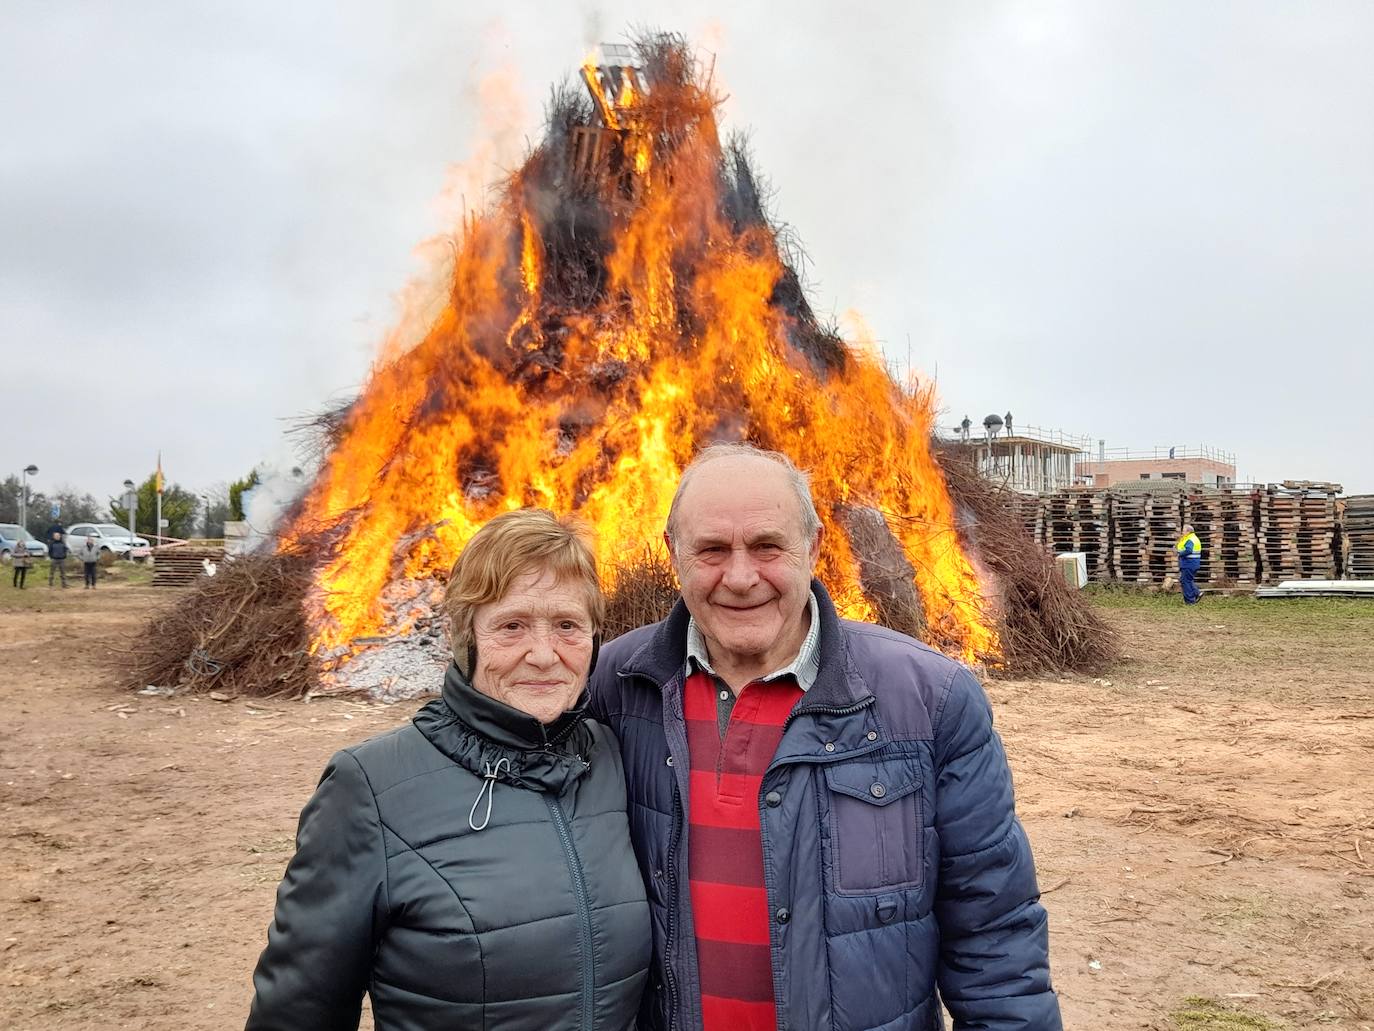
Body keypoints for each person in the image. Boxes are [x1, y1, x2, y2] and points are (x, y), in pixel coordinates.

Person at [591, 443, 1061, 1031]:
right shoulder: (615, 685)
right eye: (711, 550)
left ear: (813, 548)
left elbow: (994, 939)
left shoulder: (929, 700)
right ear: (674, 555)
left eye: (767, 546)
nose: (740, 577)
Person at [246, 509, 651, 1030]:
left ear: (596, 637)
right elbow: (297, 1011)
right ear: (466, 635)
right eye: (512, 625)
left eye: (568, 625)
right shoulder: (368, 789)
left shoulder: (610, 758)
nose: (545, 655)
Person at [1176, 522, 1203, 605]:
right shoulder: (1193, 538)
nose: (1182, 532)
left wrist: (1180, 554)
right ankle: (1197, 593)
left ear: (1188, 531)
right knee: (1187, 580)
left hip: (1189, 563)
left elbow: (1189, 550)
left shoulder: (1190, 539)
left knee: (1185, 581)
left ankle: (1190, 601)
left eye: (1183, 531)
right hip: (1192, 563)